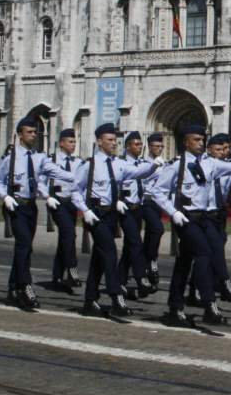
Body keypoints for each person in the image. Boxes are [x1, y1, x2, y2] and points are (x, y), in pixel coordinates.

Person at [150, 123, 231, 327]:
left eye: (202, 140)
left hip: (205, 217)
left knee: (189, 261)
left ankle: (175, 307)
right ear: (186, 142)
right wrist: (173, 212)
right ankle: (210, 304)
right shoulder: (177, 164)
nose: (201, 143)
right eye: (196, 140)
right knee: (203, 254)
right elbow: (157, 191)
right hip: (187, 218)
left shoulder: (210, 163)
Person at [70, 123, 160, 317]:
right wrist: (85, 210)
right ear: (99, 141)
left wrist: (153, 165)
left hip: (112, 215)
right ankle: (116, 296)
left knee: (99, 257)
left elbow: (137, 173)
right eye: (110, 140)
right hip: (96, 215)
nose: (113, 144)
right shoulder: (89, 165)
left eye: (115, 140)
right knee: (110, 253)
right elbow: (75, 191)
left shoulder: (118, 164)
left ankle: (90, 299)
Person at [0, 117, 76, 310]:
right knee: (24, 246)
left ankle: (12, 288)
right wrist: (5, 197)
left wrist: (84, 175)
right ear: (20, 135)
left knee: (24, 247)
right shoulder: (11, 158)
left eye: (34, 132)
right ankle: (25, 286)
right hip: (16, 206)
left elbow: (58, 173)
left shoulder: (39, 158)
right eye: (29, 132)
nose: (33, 135)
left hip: (31, 206)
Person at [39, 127, 82, 294]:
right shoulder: (51, 161)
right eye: (70, 142)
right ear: (61, 143)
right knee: (69, 233)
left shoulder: (78, 162)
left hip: (72, 203)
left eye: (74, 142)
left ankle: (57, 276)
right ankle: (72, 268)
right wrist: (47, 197)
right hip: (57, 202)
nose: (73, 145)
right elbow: (40, 181)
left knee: (65, 238)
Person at [117, 131, 157, 299]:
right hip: (125, 208)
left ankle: (119, 281)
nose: (139, 147)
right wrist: (117, 200)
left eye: (141, 144)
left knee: (129, 247)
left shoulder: (142, 164)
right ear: (127, 146)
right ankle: (141, 278)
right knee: (135, 242)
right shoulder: (119, 164)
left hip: (138, 208)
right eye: (136, 144)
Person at [141, 133, 167, 285]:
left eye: (161, 146)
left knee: (152, 232)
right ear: (150, 147)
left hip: (158, 202)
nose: (159, 149)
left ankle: (147, 261)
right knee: (157, 229)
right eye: (156, 146)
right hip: (147, 201)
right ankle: (151, 259)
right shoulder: (144, 164)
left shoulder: (163, 164)